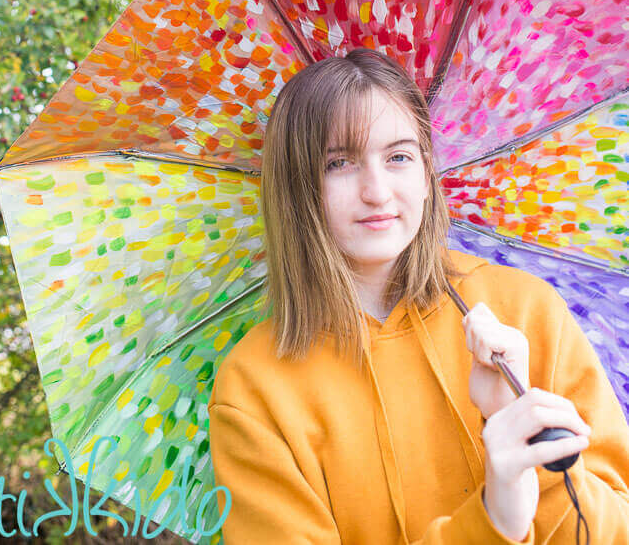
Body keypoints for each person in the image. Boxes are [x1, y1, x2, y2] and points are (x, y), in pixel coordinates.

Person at [207, 48, 629, 543]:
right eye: (338, 163)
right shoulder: (254, 388)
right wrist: (494, 518)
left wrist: (539, 464)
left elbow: (615, 526)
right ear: (297, 187)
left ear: (427, 174)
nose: (378, 192)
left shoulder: (526, 311)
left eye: (399, 157)